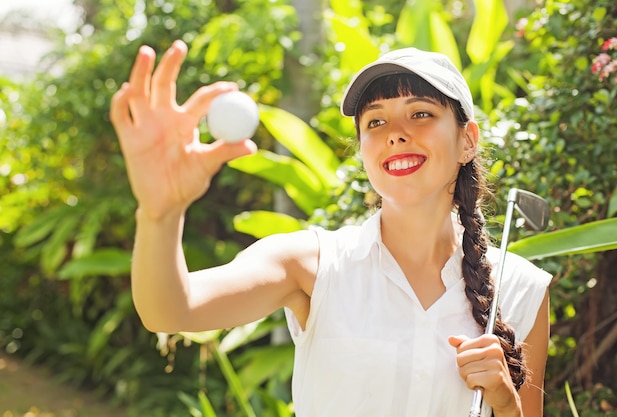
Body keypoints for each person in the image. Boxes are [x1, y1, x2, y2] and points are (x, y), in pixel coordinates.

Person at [110, 40, 551, 417]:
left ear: (467, 140)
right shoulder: (309, 263)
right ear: (362, 149)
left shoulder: (521, 286)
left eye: (420, 114)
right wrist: (160, 214)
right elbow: (170, 311)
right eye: (375, 121)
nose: (395, 133)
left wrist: (506, 403)